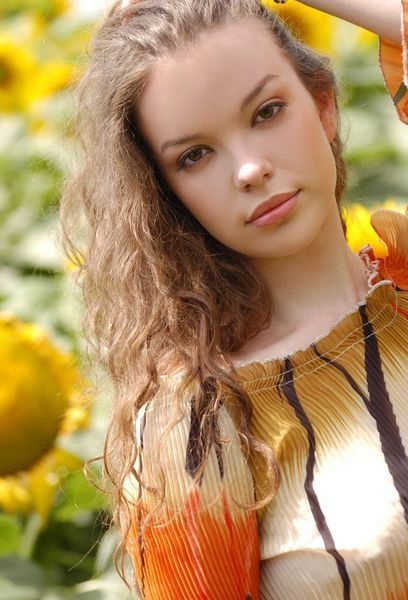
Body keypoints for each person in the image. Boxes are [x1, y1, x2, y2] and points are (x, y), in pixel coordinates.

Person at [59, 0, 408, 598]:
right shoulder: (198, 427)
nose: (249, 168)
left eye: (268, 111)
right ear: (165, 194)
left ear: (322, 102)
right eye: (194, 155)